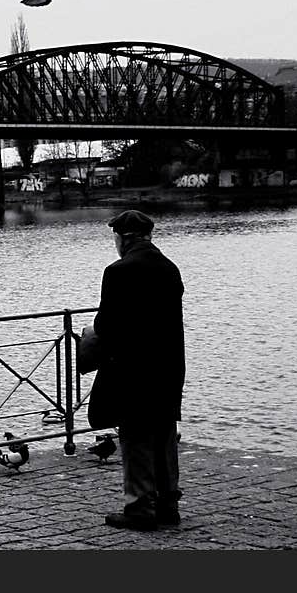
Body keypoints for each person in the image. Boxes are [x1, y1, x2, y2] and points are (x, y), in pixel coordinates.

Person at [91, 210, 185, 531]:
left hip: (133, 371)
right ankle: (168, 504)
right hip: (169, 369)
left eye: (115, 237)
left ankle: (139, 508)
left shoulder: (118, 271)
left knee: (136, 439)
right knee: (164, 436)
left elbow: (106, 325)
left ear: (124, 237)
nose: (115, 244)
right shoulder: (169, 268)